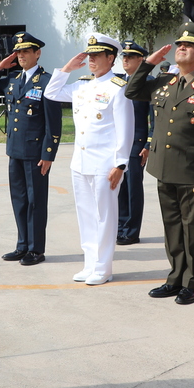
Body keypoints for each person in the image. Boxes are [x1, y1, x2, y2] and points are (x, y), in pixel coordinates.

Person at [125, 22, 194, 305]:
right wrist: (148, 63)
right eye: (179, 44)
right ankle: (174, 278)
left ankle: (191, 283)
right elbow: (131, 91)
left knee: (192, 229)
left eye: (189, 45)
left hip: (192, 170)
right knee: (171, 226)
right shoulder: (164, 82)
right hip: (163, 166)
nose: (181, 47)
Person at [45, 34, 133, 285]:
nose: (91, 59)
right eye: (89, 54)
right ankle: (90, 264)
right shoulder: (81, 84)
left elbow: (125, 129)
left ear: (111, 58)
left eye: (97, 55)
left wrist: (120, 164)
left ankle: (104, 268)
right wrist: (66, 69)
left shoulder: (117, 88)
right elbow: (51, 93)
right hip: (80, 163)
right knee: (85, 215)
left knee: (104, 216)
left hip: (105, 164)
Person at [0, 32, 62, 266]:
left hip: (36, 154)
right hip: (15, 151)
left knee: (36, 201)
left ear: (38, 53)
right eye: (19, 52)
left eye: (26, 51)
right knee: (19, 200)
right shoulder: (13, 79)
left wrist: (48, 155)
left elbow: (53, 123)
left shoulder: (47, 81)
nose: (22, 55)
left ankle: (36, 249)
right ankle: (22, 245)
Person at [116, 41, 151, 246]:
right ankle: (120, 226)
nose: (126, 60)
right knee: (119, 187)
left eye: (130, 57)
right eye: (124, 56)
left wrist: (148, 144)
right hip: (119, 143)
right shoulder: (118, 81)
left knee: (133, 189)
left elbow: (153, 117)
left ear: (141, 60)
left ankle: (131, 231)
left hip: (137, 144)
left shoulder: (149, 82)